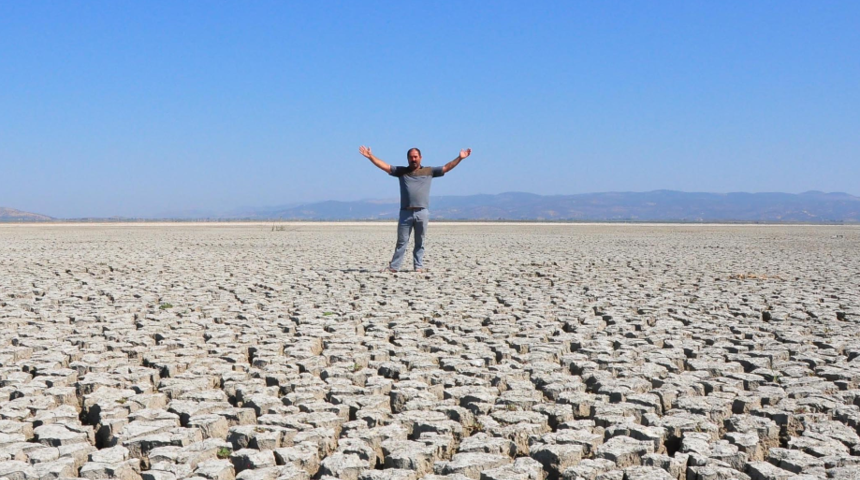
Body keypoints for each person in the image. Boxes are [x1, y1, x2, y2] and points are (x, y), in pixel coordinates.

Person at [359, 145, 472, 272]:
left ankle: (418, 266)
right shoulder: (401, 171)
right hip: (405, 212)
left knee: (420, 242)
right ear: (407, 159)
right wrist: (370, 157)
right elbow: (384, 166)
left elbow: (446, 167)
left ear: (420, 158)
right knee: (402, 242)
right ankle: (394, 267)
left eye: (415, 157)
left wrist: (460, 158)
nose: (413, 159)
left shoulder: (429, 171)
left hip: (422, 212)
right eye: (411, 157)